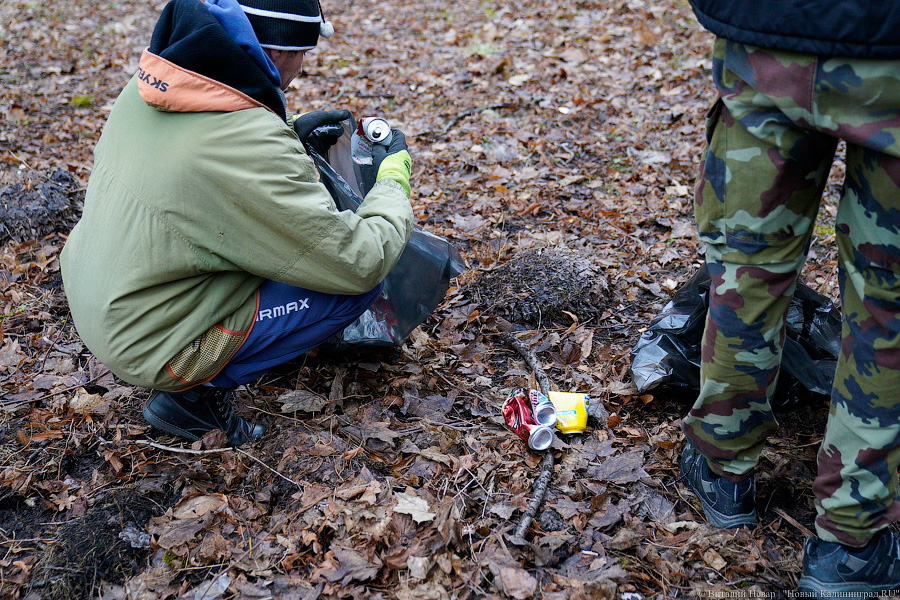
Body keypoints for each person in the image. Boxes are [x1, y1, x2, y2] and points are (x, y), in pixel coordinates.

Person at [59, 0, 414, 448]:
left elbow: (207, 168)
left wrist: (292, 135)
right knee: (354, 286)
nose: (303, 67)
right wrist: (393, 178)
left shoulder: (159, 80)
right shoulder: (246, 144)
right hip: (149, 343)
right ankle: (193, 398)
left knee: (284, 246)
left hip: (101, 295)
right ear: (280, 50)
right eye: (303, 52)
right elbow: (360, 259)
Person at [675, 1, 900, 596]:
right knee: (888, 304)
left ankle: (723, 466)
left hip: (770, 34)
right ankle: (852, 539)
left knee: (747, 263)